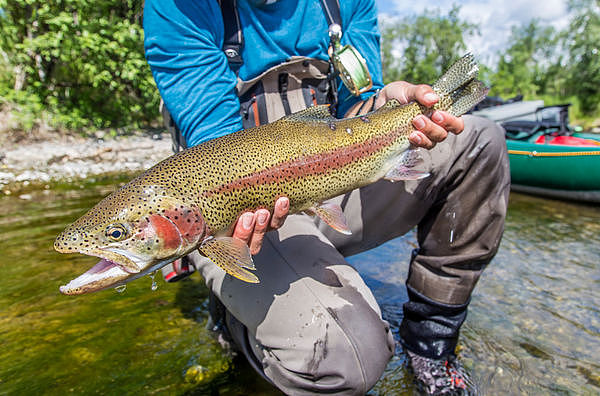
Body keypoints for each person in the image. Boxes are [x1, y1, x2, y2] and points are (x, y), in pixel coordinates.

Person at [143, 0, 510, 394]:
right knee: (343, 362)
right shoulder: (179, 6)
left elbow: (357, 105)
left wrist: (389, 106)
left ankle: (429, 345)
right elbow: (217, 148)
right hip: (238, 208)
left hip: (339, 173)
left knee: (479, 138)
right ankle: (243, 327)